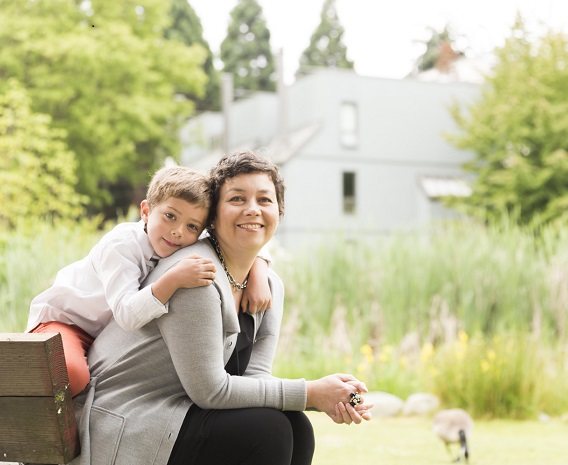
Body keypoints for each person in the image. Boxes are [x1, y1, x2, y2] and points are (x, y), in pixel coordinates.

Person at [71, 150, 373, 465]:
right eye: (238, 199)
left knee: (297, 426)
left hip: (180, 412)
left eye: (265, 200)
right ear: (212, 217)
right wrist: (311, 393)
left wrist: (332, 397)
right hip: (130, 418)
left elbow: (256, 376)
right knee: (269, 430)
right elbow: (210, 391)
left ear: (279, 213)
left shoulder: (269, 286)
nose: (253, 210)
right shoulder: (195, 276)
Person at [26, 165, 272, 396]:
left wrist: (259, 269)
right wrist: (173, 279)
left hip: (102, 338)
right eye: (170, 216)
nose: (178, 231)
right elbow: (126, 315)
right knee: (71, 375)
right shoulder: (122, 246)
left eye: (192, 226)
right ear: (145, 211)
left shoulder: (180, 238)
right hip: (65, 323)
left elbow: (238, 235)